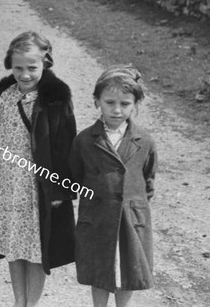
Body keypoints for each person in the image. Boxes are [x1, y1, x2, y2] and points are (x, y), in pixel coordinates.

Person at [0, 31, 76, 307]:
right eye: (18, 67)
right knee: (14, 244)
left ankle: (31, 304)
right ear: (10, 64)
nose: (25, 74)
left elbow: (66, 144)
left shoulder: (55, 99)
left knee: (36, 248)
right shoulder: (2, 98)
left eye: (32, 68)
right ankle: (18, 301)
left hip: (38, 186)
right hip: (8, 183)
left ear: (46, 62)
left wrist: (61, 187)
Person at [69, 66, 157, 307]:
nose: (117, 110)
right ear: (97, 102)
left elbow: (148, 178)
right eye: (109, 102)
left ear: (135, 105)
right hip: (97, 217)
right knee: (100, 267)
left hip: (131, 216)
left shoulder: (145, 141)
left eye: (125, 103)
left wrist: (136, 202)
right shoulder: (85, 140)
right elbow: (75, 176)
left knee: (128, 267)